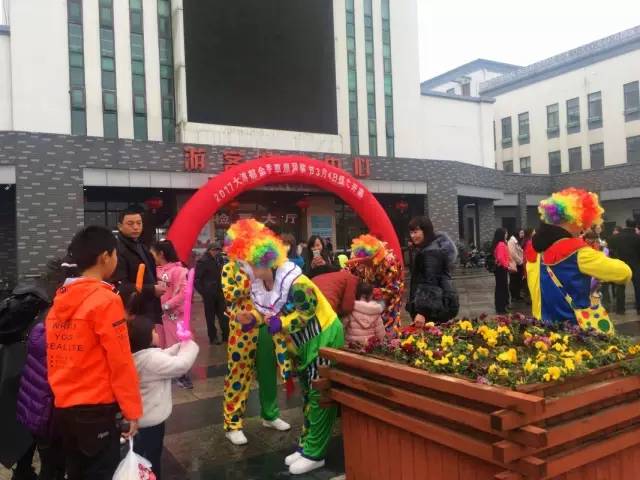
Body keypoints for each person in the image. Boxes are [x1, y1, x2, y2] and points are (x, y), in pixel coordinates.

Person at [225, 219, 344, 475]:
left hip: (323, 338)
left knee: (319, 395)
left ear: (263, 261)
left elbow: (306, 312)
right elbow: (267, 312)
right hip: (302, 344)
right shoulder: (262, 284)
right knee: (308, 396)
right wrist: (251, 319)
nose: (245, 269)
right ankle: (306, 445)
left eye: (248, 263)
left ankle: (315, 453)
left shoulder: (295, 281)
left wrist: (281, 323)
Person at [46, 226, 142, 480]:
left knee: (76, 472)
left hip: (63, 407)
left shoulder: (59, 300)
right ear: (105, 257)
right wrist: (132, 410)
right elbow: (121, 360)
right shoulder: (106, 300)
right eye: (115, 254)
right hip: (96, 409)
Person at [527, 188, 631, 330]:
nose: (582, 228)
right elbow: (624, 273)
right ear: (571, 220)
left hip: (541, 328)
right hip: (573, 330)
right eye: (581, 222)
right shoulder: (578, 251)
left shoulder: (532, 248)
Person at [220, 260, 292, 446]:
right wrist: (254, 279)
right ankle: (233, 424)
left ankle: (270, 415)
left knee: (268, 373)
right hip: (242, 329)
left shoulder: (264, 264)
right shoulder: (230, 268)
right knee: (238, 375)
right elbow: (229, 294)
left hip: (265, 326)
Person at [129, 315, 199, 480]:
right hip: (151, 421)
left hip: (141, 419)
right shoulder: (151, 360)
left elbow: (164, 355)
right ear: (146, 337)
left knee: (140, 455)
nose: (157, 333)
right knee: (150, 460)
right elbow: (180, 365)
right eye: (154, 331)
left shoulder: (138, 356)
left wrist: (180, 345)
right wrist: (190, 344)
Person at [0, 282, 50, 479]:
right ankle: (24, 471)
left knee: (18, 424)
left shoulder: (10, 319)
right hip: (30, 381)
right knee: (31, 427)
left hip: (11, 372)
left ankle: (22, 471)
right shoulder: (39, 322)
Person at [150, 240, 193, 389]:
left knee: (177, 344)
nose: (151, 256)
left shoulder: (179, 271)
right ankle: (166, 373)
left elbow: (185, 292)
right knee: (160, 344)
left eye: (153, 253)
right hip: (158, 315)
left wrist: (167, 305)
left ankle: (182, 376)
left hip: (173, 315)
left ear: (161, 254)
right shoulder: (154, 270)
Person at [112, 207, 165, 325]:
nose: (136, 227)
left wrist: (155, 279)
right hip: (133, 312)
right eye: (130, 224)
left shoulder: (140, 245)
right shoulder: (118, 250)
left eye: (139, 223)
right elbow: (120, 286)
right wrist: (151, 289)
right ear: (120, 226)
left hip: (148, 308)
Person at [406, 217, 458, 325]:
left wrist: (422, 312)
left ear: (426, 231)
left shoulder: (430, 252)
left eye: (416, 232)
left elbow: (430, 283)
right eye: (411, 232)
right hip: (437, 306)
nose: (413, 236)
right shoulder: (430, 248)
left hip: (433, 309)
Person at [194, 242, 228, 345]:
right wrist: (204, 292)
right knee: (210, 317)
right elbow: (196, 279)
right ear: (210, 250)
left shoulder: (219, 260)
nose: (217, 252)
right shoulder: (203, 261)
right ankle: (213, 337)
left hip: (220, 292)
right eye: (216, 250)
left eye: (218, 250)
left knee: (223, 315)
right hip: (209, 294)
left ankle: (226, 335)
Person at [607, 219, 640, 314]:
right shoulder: (638, 238)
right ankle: (639, 308)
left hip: (620, 264)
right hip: (636, 265)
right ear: (635, 226)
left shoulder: (614, 238)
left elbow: (610, 251)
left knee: (620, 287)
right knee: (638, 287)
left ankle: (620, 309)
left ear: (625, 225)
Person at [492, 228, 511, 315]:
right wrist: (507, 265)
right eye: (505, 233)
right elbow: (500, 257)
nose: (507, 235)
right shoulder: (501, 244)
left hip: (501, 268)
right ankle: (501, 307)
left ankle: (501, 306)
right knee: (502, 288)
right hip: (502, 268)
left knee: (501, 287)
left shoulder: (500, 243)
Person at [507, 232, 524, 302]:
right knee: (514, 280)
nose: (522, 234)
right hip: (514, 264)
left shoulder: (517, 241)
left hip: (518, 263)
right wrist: (520, 261)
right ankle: (514, 296)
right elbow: (513, 253)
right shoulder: (512, 241)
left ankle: (517, 295)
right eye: (521, 233)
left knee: (518, 280)